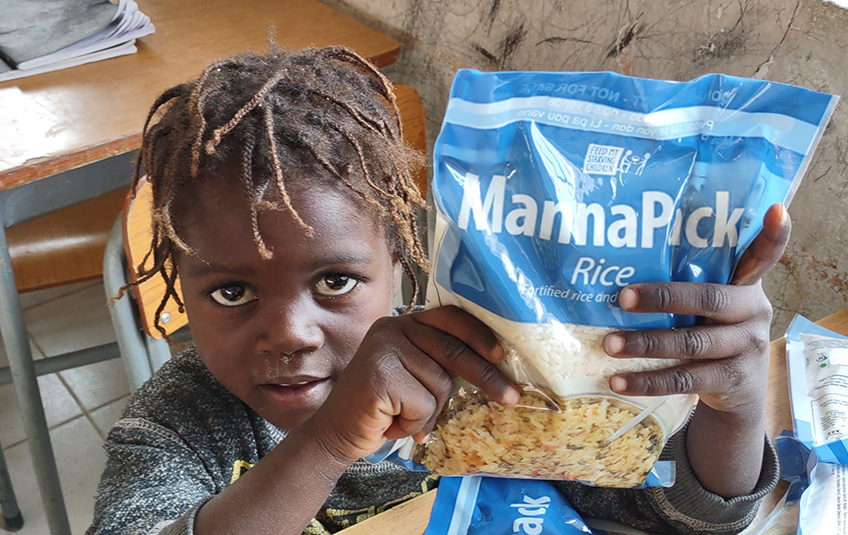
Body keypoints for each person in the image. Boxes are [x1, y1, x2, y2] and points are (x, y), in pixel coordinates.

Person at [87, 45, 788, 535]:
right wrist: (329, 442)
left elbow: (692, 517)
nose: (292, 332)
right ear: (181, 284)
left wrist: (735, 406)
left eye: (334, 280)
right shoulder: (175, 425)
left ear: (401, 262)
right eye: (233, 292)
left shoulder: (489, 371)